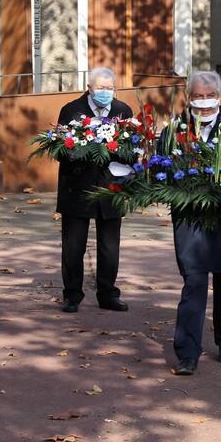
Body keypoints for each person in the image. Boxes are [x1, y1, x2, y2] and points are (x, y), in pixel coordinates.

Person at [169, 70, 221, 375]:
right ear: (188, 97)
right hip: (191, 217)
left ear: (220, 95)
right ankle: (187, 352)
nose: (204, 102)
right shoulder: (177, 128)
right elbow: (163, 167)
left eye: (209, 95)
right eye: (197, 96)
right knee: (194, 282)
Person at [57, 67, 133, 314]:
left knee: (110, 246)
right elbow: (61, 150)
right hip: (77, 187)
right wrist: (85, 148)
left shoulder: (123, 111)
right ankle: (72, 295)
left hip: (111, 187)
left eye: (109, 88)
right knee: (73, 245)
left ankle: (108, 293)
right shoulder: (71, 111)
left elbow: (132, 149)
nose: (104, 92)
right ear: (89, 88)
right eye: (100, 88)